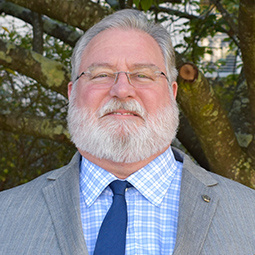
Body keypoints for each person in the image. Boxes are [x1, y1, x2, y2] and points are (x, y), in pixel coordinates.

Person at [0, 9, 255, 255]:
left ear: (172, 94)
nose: (122, 90)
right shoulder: (6, 214)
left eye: (142, 75)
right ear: (72, 93)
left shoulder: (248, 212)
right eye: (101, 74)